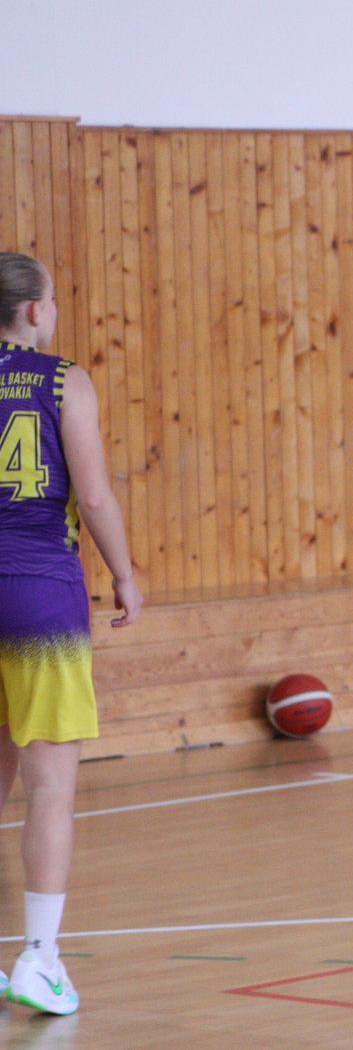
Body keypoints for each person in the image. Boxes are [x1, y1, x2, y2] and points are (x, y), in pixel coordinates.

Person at [0, 252, 142, 1015]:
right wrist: (124, 573)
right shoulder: (63, 380)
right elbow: (92, 494)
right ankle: (40, 958)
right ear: (34, 311)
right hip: (39, 593)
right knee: (50, 783)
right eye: (53, 300)